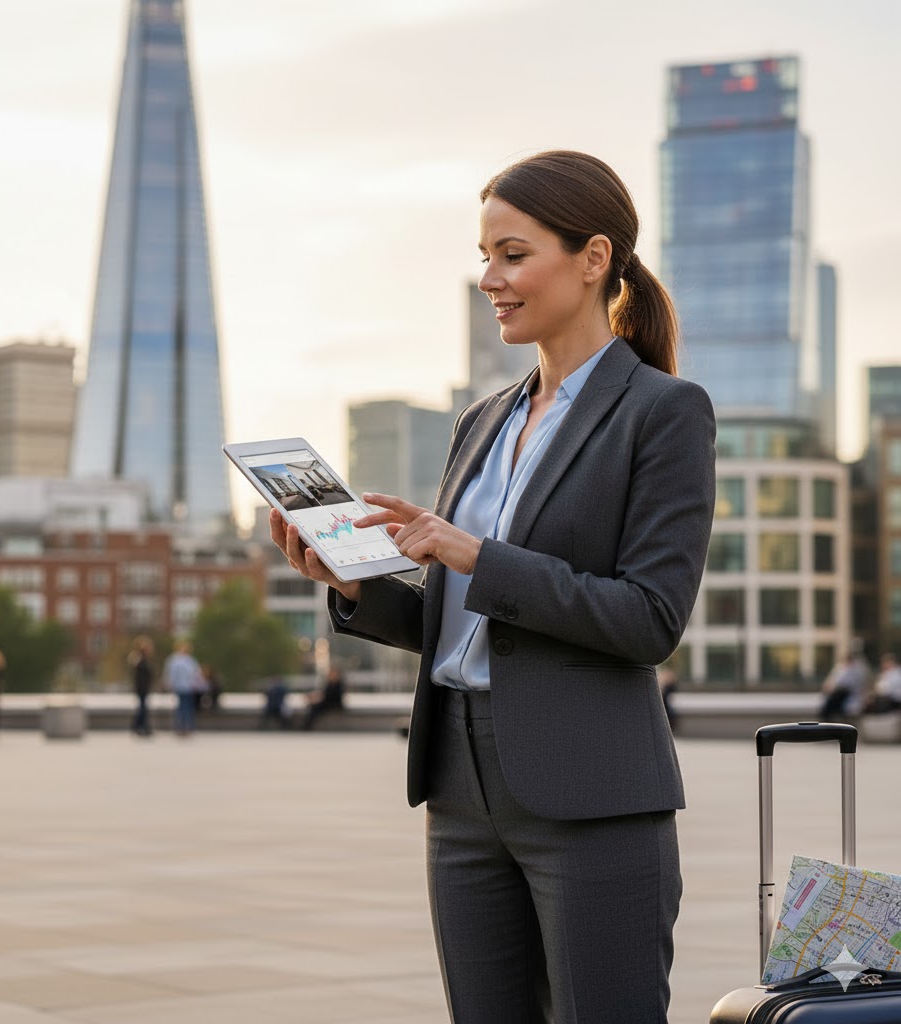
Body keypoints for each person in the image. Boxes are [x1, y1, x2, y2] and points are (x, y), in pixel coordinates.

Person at [270, 150, 716, 1022]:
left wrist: (479, 556)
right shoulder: (482, 420)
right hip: (459, 787)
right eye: (485, 257)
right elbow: (464, 623)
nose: (490, 279)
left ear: (593, 259)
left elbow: (650, 619)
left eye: (513, 255)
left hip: (590, 793)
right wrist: (355, 588)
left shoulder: (663, 411)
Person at [163, 639, 205, 737]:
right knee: (182, 707)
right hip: (180, 687)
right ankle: (181, 727)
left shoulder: (190, 660)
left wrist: (198, 684)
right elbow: (170, 674)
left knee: (188, 707)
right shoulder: (174, 660)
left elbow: (196, 673)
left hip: (189, 687)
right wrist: (170, 684)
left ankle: (187, 727)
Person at [820, 649, 869, 721]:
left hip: (845, 694)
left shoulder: (855, 670)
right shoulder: (840, 668)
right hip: (839, 694)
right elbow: (830, 682)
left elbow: (848, 685)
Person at [128, 635, 155, 737]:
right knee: (142, 708)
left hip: (144, 688)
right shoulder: (139, 660)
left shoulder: (143, 660)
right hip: (141, 688)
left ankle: (141, 726)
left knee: (143, 707)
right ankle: (139, 726)